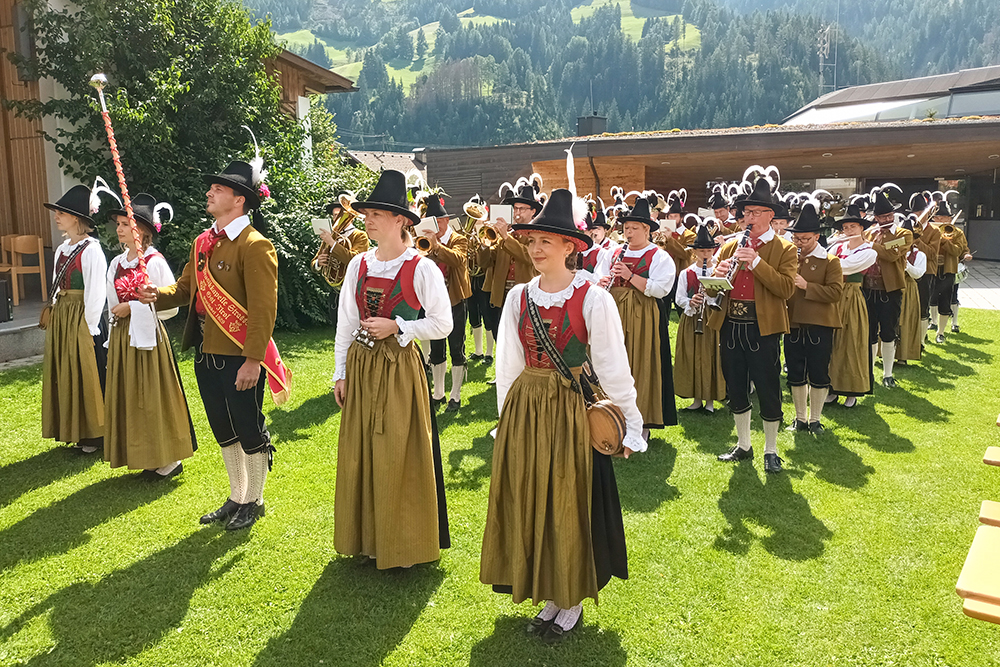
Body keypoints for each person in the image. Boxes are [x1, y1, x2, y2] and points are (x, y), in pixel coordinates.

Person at [481, 188, 644, 644]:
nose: (535, 249)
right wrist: (505, 421)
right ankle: (549, 589)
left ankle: (570, 598)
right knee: (534, 497)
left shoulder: (593, 298)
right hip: (527, 410)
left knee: (569, 501)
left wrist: (631, 426)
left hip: (571, 411)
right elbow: (508, 365)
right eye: (531, 241)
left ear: (570, 245)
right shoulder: (518, 297)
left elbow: (613, 366)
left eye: (545, 242)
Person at [139, 159, 287, 531]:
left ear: (239, 200)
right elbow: (185, 289)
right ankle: (237, 495)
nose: (209, 192)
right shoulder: (202, 242)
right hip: (206, 352)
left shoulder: (255, 246)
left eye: (218, 189)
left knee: (248, 427)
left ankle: (254, 499)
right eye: (212, 188)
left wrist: (253, 360)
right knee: (223, 428)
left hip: (239, 355)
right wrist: (156, 293)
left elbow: (263, 310)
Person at [332, 169, 453, 569]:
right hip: (362, 367)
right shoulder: (358, 264)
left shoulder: (421, 267)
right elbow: (346, 323)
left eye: (377, 214)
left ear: (400, 220)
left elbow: (443, 323)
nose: (367, 220)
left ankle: (402, 544)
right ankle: (368, 539)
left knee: (398, 452)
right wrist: (340, 372)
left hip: (399, 369)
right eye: (367, 214)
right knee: (363, 450)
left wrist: (399, 326)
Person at [708, 173, 797, 473]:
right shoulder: (730, 246)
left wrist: (757, 262)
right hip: (731, 323)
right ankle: (744, 444)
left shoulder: (785, 248)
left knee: (768, 386)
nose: (750, 218)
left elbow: (786, 288)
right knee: (735, 385)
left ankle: (771, 449)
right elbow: (713, 290)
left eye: (757, 212)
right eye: (747, 212)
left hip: (763, 326)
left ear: (771, 215)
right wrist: (718, 275)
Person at [104, 194, 195, 478]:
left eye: (125, 224)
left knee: (153, 397)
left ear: (142, 230)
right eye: (118, 224)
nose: (119, 229)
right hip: (124, 338)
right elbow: (112, 302)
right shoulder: (117, 263)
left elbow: (170, 308)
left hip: (149, 340)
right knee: (131, 397)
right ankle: (145, 454)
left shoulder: (153, 262)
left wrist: (132, 308)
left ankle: (169, 459)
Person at [598, 195, 677, 439]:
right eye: (626, 228)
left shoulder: (659, 256)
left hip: (642, 316)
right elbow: (597, 277)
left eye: (634, 228)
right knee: (612, 363)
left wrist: (631, 276)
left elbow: (661, 289)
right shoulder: (612, 252)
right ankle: (610, 418)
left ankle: (642, 422)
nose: (628, 233)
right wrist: (601, 282)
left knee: (641, 364)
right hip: (614, 312)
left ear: (646, 230)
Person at [41, 182, 110, 453]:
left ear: (77, 218)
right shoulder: (62, 249)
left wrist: (90, 327)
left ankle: (95, 434)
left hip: (83, 318)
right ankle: (76, 430)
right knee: (68, 371)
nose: (56, 217)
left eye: (62, 213)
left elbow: (96, 292)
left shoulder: (91, 250)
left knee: (87, 373)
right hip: (64, 317)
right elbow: (57, 286)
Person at [783, 202, 843, 434]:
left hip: (820, 323)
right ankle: (800, 418)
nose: (799, 243)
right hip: (793, 322)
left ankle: (815, 419)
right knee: (795, 371)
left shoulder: (831, 261)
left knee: (818, 371)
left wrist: (808, 286)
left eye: (805, 239)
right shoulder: (790, 258)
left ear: (817, 237)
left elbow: (835, 293)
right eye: (796, 239)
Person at [420, 193, 472, 412]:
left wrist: (436, 246)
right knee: (436, 349)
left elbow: (458, 260)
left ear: (444, 221)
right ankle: (438, 393)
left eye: (436, 223)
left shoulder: (459, 239)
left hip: (455, 300)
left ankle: (455, 395)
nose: (433, 227)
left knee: (456, 348)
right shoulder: (424, 242)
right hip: (433, 302)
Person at [827, 204, 877, 407]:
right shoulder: (837, 247)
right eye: (846, 227)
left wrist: (823, 260)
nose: (849, 231)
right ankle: (832, 388)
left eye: (853, 227)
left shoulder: (869, 251)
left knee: (851, 341)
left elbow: (844, 267)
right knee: (832, 342)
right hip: (833, 296)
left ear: (861, 228)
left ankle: (852, 391)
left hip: (852, 297)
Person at [481, 179, 541, 342]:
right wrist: (484, 244)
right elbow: (486, 263)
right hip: (502, 295)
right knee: (501, 338)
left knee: (523, 340)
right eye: (515, 208)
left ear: (533, 211)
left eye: (522, 209)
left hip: (525, 295)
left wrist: (506, 237)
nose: (517, 212)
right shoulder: (507, 234)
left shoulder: (537, 234)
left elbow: (529, 257)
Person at [863, 189, 913, 388]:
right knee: (869, 332)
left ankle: (888, 373)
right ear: (876, 218)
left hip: (889, 290)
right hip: (868, 289)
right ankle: (869, 372)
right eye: (883, 217)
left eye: (890, 215)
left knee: (888, 332)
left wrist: (868, 244)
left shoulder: (904, 234)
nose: (887, 219)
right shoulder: (868, 233)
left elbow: (891, 254)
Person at [673, 221, 725, 412]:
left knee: (711, 356)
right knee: (693, 356)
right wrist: (691, 301)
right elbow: (679, 298)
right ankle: (696, 399)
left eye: (709, 250)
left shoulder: (718, 272)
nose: (705, 254)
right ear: (694, 252)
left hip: (712, 319)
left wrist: (709, 299)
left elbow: (723, 296)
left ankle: (710, 400)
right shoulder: (686, 273)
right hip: (692, 319)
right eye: (701, 251)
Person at [311, 193, 369, 330]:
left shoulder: (360, 235)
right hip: (335, 293)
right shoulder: (331, 236)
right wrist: (319, 263)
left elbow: (355, 260)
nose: (336, 219)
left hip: (352, 293)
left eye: (339, 215)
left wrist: (332, 243)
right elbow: (313, 262)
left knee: (353, 331)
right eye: (334, 215)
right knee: (337, 331)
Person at [929, 200, 971, 344]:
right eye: (937, 218)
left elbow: (958, 251)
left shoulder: (957, 233)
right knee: (931, 299)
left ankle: (941, 332)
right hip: (932, 269)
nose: (940, 220)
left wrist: (944, 241)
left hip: (948, 270)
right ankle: (933, 322)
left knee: (946, 300)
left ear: (949, 219)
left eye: (943, 218)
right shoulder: (930, 231)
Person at [462, 195, 495, 364]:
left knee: (487, 315)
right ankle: (478, 351)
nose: (474, 220)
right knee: (473, 316)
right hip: (470, 277)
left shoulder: (487, 231)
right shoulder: (466, 234)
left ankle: (489, 353)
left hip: (483, 278)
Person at [909, 192, 940, 346]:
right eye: (915, 213)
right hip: (909, 271)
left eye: (920, 212)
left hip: (927, 272)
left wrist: (917, 239)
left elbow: (932, 254)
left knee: (923, 305)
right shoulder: (907, 227)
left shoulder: (934, 231)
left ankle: (921, 340)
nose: (918, 216)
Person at [895, 216, 926, 364]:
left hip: (909, 288)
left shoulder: (919, 255)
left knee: (906, 321)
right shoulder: (893, 251)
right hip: (893, 286)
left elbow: (918, 274)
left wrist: (906, 265)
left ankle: (904, 355)